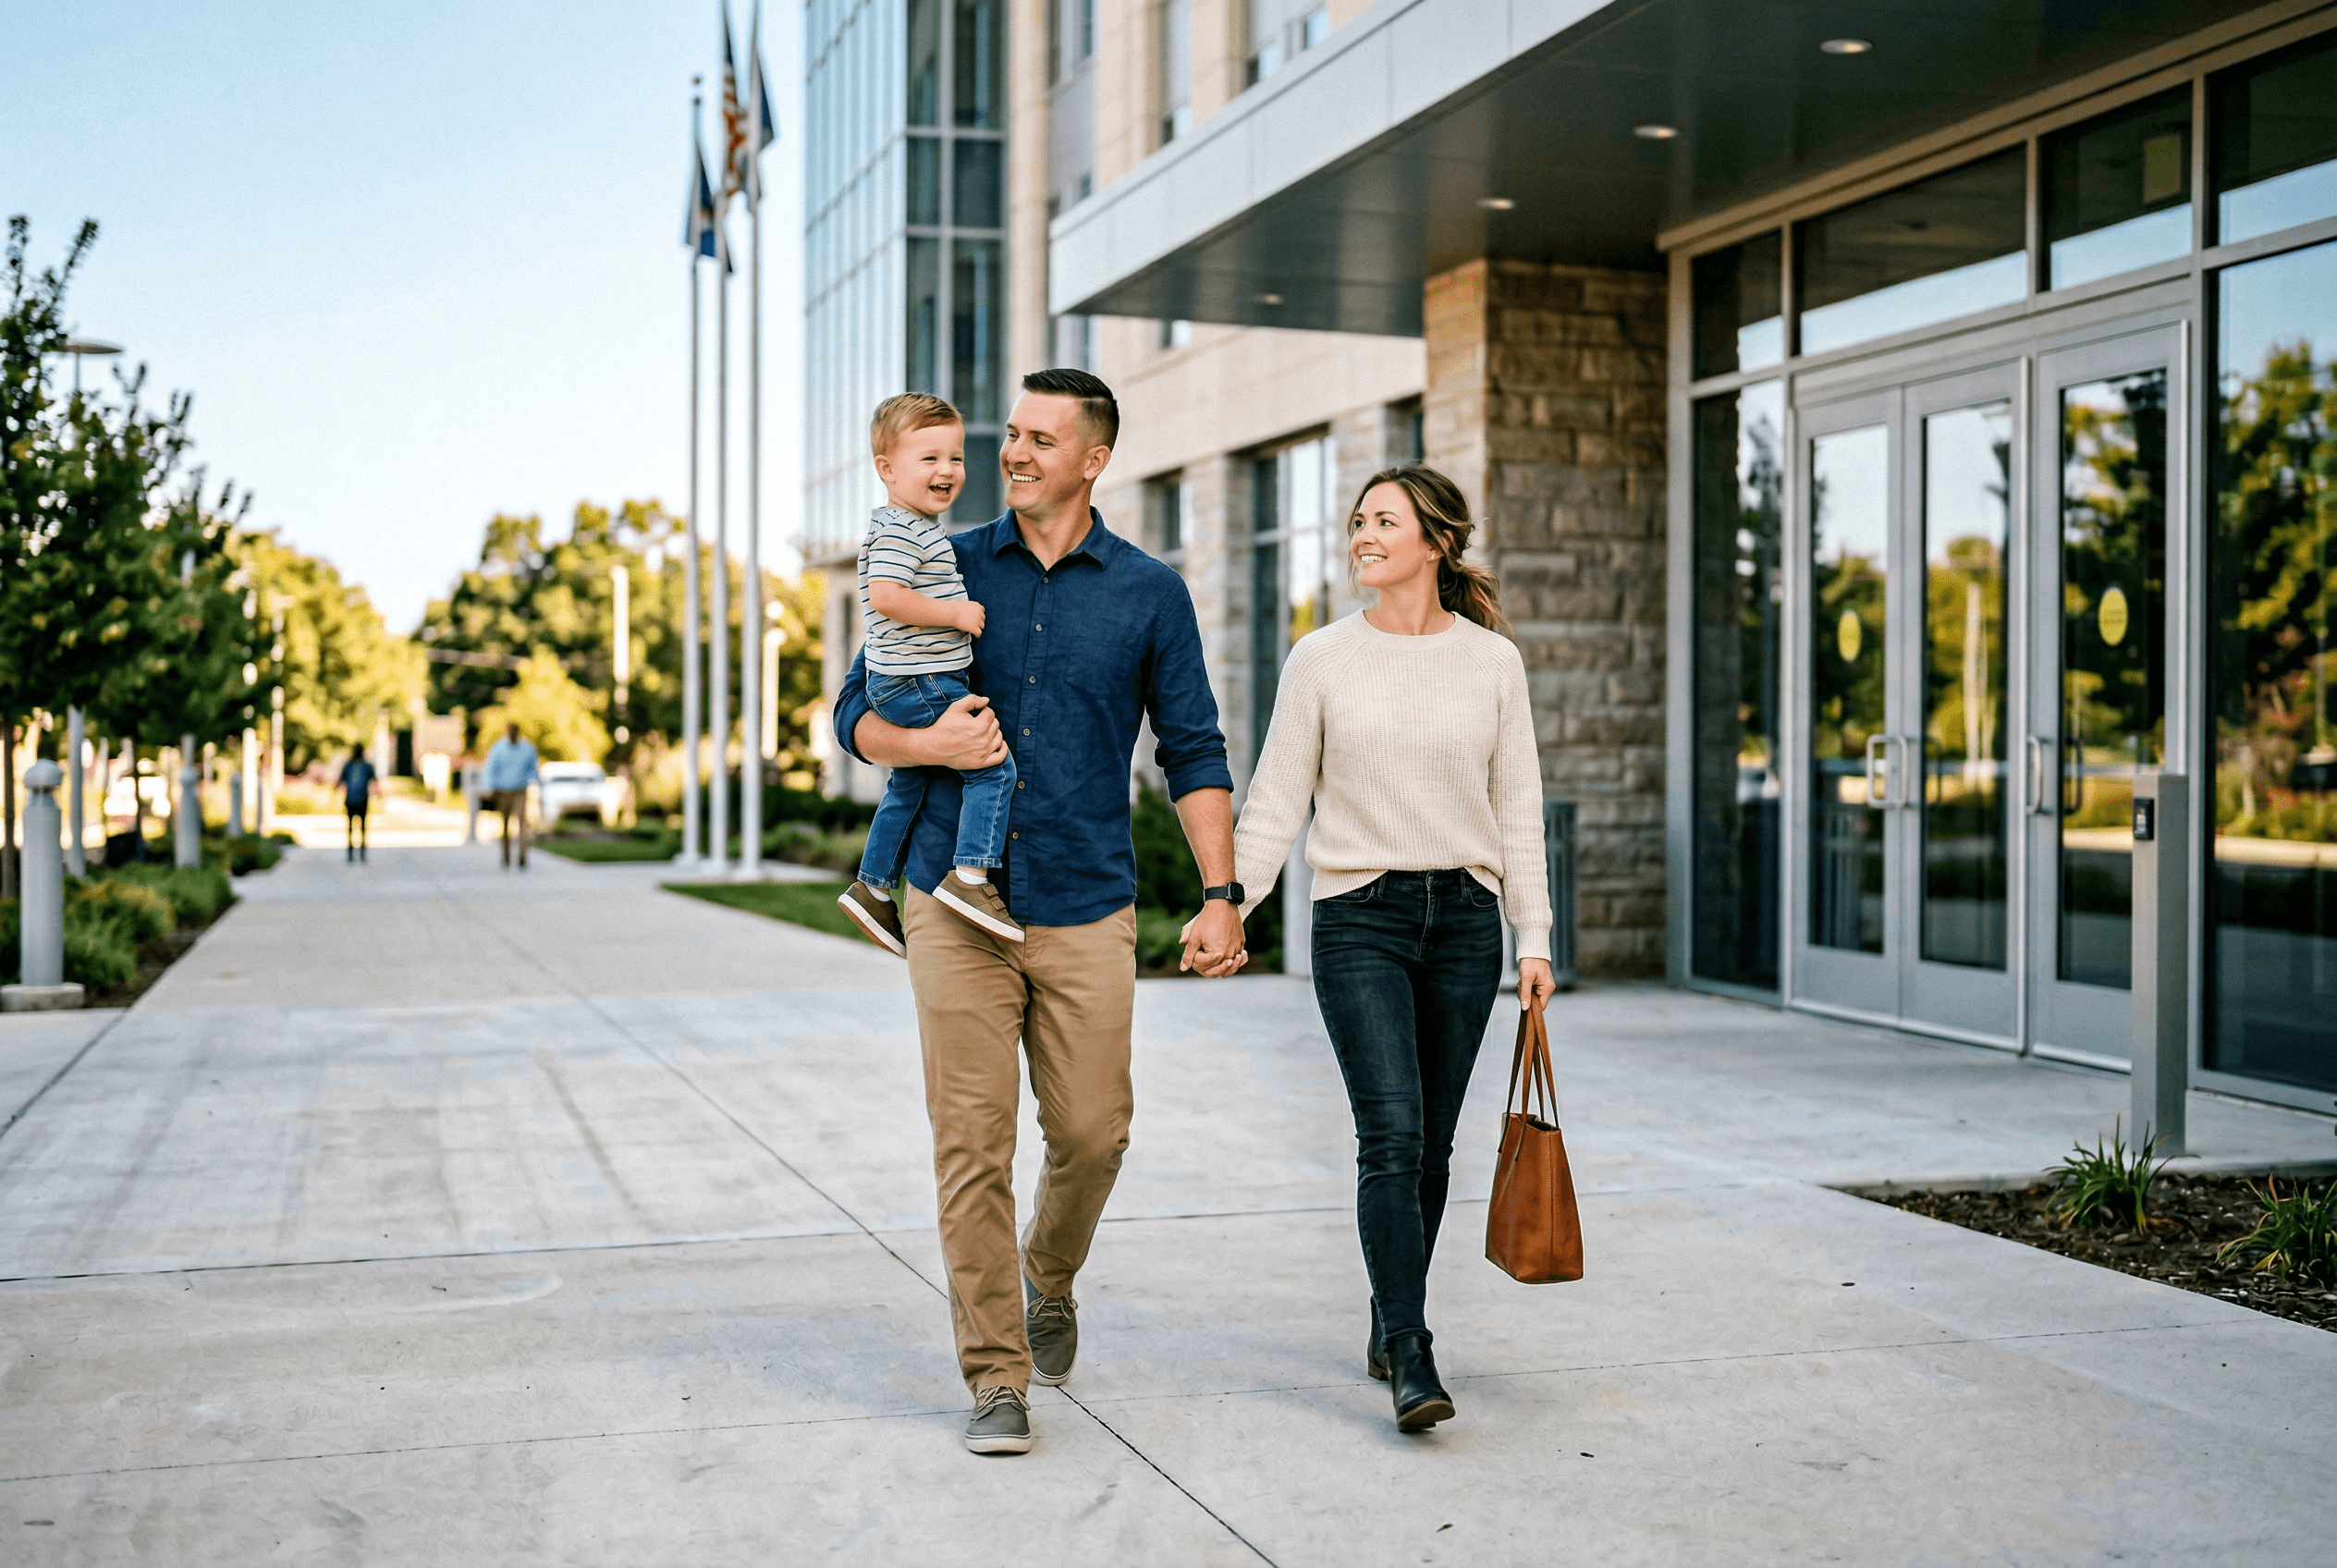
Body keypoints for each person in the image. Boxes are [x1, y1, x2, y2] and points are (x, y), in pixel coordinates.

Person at [830, 368, 1245, 1457]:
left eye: (1037, 438)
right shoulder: (942, 556)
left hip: (1083, 901)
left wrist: (1219, 890)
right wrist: (925, 746)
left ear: (1092, 458)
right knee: (971, 1144)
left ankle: (1045, 1274)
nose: (1012, 453)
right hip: (952, 903)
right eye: (1008, 434)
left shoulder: (1148, 591)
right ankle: (994, 1374)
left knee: (1093, 1133)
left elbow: (1193, 749)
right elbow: (852, 711)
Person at [1224, 463, 1557, 1435]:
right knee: (1392, 1132)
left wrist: (1530, 934)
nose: (1360, 533)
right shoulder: (1321, 658)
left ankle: (1387, 1313)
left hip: (1462, 921)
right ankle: (1411, 1349)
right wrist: (1228, 905)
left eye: (1382, 519)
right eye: (1356, 518)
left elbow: (1518, 808)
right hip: (1358, 915)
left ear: (1435, 541)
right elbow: (1276, 801)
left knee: (1434, 1145)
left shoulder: (1492, 663)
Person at [836, 392, 1021, 954]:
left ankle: (871, 886)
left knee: (909, 783)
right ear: (886, 469)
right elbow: (887, 596)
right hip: (921, 679)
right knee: (991, 768)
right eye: (929, 459)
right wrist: (955, 614)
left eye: (956, 458)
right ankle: (970, 879)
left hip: (902, 680)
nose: (946, 471)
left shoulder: (918, 527)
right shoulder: (902, 530)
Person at [482, 723, 540, 870]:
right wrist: (490, 788)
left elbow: (533, 769)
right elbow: (490, 769)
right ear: (507, 732)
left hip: (520, 791)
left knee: (522, 823)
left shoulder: (527, 748)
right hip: (502, 792)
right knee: (505, 825)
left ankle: (522, 855)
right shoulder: (498, 748)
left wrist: (535, 784)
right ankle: (506, 856)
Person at [337, 751, 377, 864]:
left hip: (350, 799)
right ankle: (362, 852)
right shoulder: (367, 765)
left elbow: (341, 780)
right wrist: (379, 795)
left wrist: (334, 792)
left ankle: (350, 852)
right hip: (362, 799)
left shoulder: (348, 765)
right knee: (363, 826)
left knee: (350, 826)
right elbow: (374, 780)